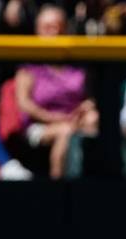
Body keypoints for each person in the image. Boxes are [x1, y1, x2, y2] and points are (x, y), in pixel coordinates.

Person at [14, 4, 99, 179]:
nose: (54, 32)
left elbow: (90, 97)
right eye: (48, 27)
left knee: (92, 119)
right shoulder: (30, 66)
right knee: (66, 132)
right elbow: (24, 104)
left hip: (75, 119)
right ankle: (59, 191)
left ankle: (92, 181)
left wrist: (86, 107)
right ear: (38, 31)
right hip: (40, 125)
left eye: (58, 27)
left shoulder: (76, 64)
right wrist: (54, 118)